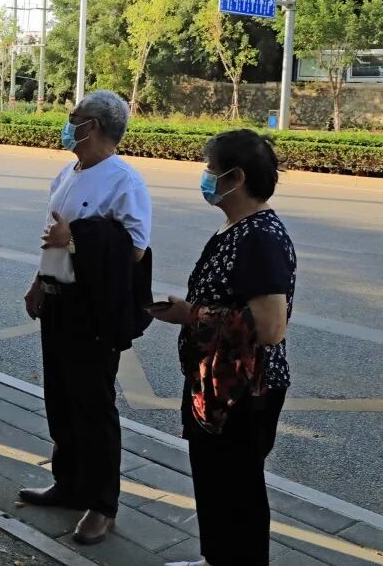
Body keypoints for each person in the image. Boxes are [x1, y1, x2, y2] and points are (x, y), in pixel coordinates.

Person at [150, 130, 295, 566]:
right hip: (216, 382)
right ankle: (216, 559)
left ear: (237, 177)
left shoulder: (261, 237)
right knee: (214, 480)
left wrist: (190, 314)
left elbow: (270, 327)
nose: (206, 177)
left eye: (212, 169)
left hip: (245, 389)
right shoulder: (236, 228)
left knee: (238, 489)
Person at [17, 90, 153, 545]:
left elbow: (135, 250)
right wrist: (39, 283)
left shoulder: (124, 182)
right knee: (60, 397)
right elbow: (51, 238)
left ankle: (101, 504)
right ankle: (69, 483)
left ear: (91, 126)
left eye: (72, 117)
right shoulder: (67, 172)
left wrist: (76, 237)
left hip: (92, 310)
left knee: (93, 406)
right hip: (58, 301)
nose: (67, 123)